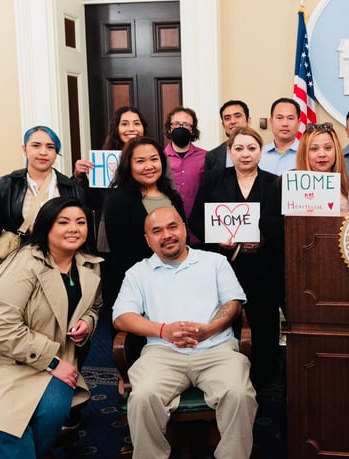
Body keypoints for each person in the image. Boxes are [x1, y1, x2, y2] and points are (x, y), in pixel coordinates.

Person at [0, 196, 101, 459]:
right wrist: (53, 362)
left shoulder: (88, 265)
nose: (74, 228)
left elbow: (95, 306)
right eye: (64, 222)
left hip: (43, 359)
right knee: (9, 423)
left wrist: (87, 322)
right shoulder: (24, 264)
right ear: (46, 227)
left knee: (56, 407)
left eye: (80, 222)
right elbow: (0, 327)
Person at [113, 207, 256, 459]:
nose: (167, 235)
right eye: (157, 231)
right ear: (148, 240)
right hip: (162, 353)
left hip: (216, 349)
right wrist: (163, 331)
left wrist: (209, 329)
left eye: (172, 227)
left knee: (238, 393)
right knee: (142, 397)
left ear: (184, 228)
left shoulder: (214, 262)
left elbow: (234, 304)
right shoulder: (138, 273)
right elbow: (121, 317)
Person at [190, 127, 284, 387]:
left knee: (264, 323)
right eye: (239, 148)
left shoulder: (275, 183)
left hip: (263, 268)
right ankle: (223, 377)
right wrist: (216, 238)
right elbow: (196, 220)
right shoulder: (213, 180)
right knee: (224, 322)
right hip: (224, 265)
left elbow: (284, 224)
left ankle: (264, 379)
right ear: (230, 152)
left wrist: (264, 237)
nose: (245, 154)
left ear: (260, 152)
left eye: (251, 148)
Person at [0, 126, 84, 280]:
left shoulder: (71, 188)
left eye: (50, 147)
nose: (43, 152)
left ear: (56, 153)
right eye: (36, 145)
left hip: (60, 267)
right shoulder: (6, 185)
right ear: (25, 149)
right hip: (18, 268)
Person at [104, 136, 185, 319]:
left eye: (154, 159)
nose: (149, 166)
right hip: (136, 287)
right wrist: (153, 280)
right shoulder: (118, 200)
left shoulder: (173, 196)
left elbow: (182, 236)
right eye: (140, 161)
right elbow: (121, 251)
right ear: (128, 165)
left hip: (176, 282)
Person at [163, 107, 206, 246]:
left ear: (192, 130)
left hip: (200, 231)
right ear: (169, 128)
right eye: (176, 124)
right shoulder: (158, 158)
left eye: (186, 125)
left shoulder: (206, 157)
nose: (181, 128)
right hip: (168, 232)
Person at [295, 122, 349, 213]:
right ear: (304, 153)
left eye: (327, 148)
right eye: (314, 149)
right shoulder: (290, 188)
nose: (322, 154)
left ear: (336, 150)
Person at [206, 99, 251, 175]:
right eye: (227, 118)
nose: (232, 121)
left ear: (248, 121)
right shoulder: (212, 156)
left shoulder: (262, 152)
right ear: (223, 125)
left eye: (237, 116)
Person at [259, 97, 300, 174]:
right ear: (271, 121)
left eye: (290, 118)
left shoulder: (308, 153)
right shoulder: (258, 154)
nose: (285, 124)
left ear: (298, 123)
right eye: (279, 118)